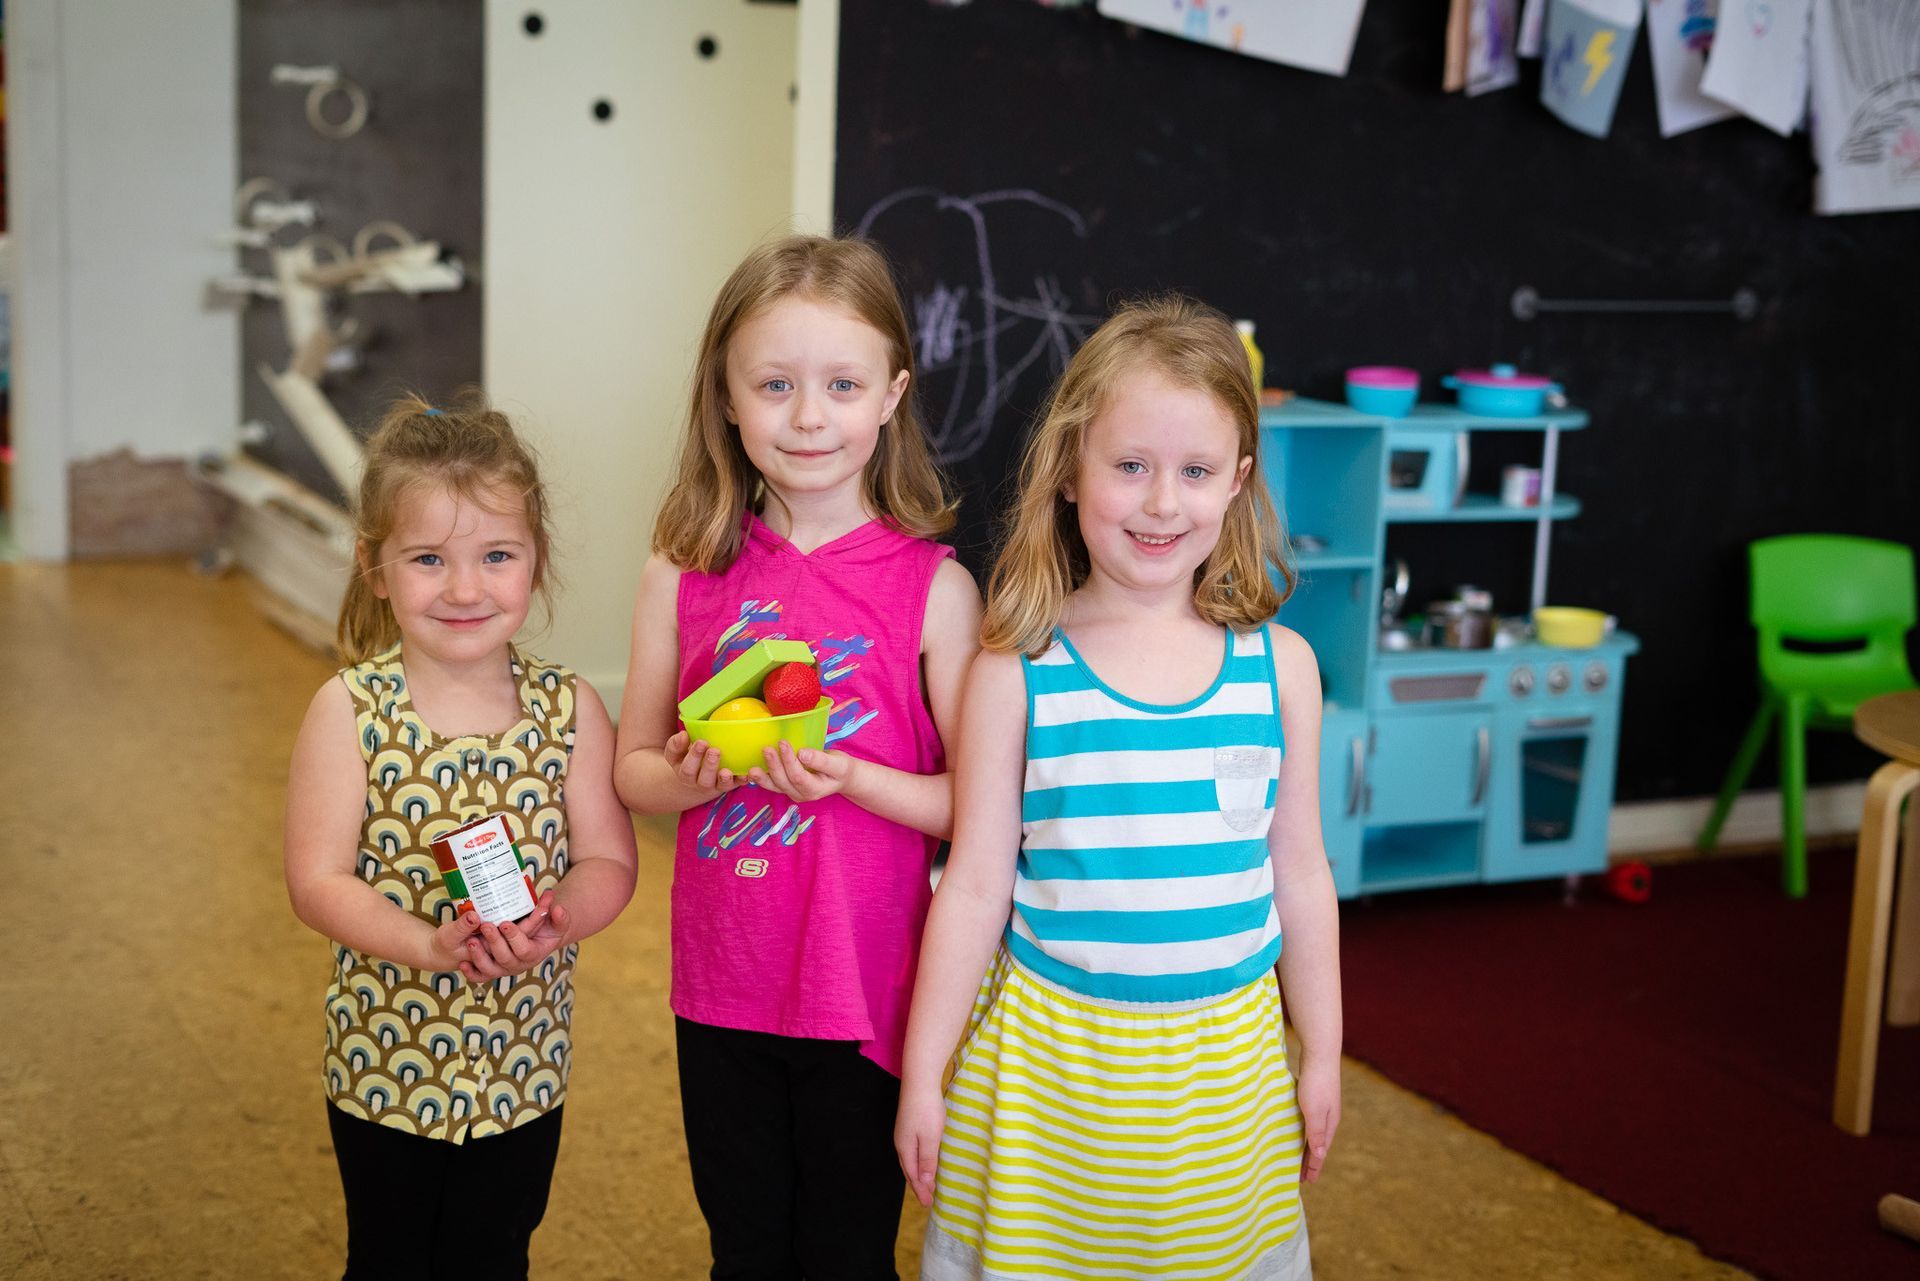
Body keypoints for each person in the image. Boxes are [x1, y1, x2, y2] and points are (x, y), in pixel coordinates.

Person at [894, 296, 1342, 1281]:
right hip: (1048, 1075)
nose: (1159, 504)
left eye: (1194, 472)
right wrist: (923, 1076)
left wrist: (1323, 1049)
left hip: (1227, 1081)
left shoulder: (1285, 670)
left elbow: (1301, 872)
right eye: (1130, 465)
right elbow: (972, 885)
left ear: (1239, 482)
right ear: (1068, 470)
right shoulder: (1017, 674)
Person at [615, 234, 983, 1279]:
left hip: (867, 992)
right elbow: (632, 770)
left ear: (891, 395)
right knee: (744, 1245)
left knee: (845, 1251)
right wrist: (691, 774)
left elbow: (975, 808)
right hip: (723, 983)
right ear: (726, 398)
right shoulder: (681, 573)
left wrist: (855, 778)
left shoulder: (936, 591)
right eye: (774, 385)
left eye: (841, 384)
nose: (809, 415)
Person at [283, 395, 639, 1281]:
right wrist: (423, 945)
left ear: (535, 562)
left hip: (524, 1073)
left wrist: (562, 917)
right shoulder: (350, 711)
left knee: (494, 1256)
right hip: (385, 1072)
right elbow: (317, 880)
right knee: (391, 1259)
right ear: (376, 568)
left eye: (496, 555)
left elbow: (609, 858)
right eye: (429, 558)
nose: (466, 586)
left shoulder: (571, 709)